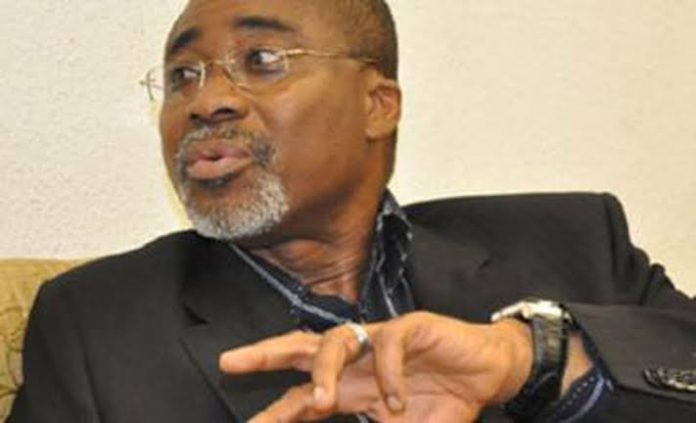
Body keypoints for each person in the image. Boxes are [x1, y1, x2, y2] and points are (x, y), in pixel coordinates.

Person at [9, 0, 695, 422]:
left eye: (262, 58)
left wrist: (532, 359)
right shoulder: (96, 323)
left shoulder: (572, 242)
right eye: (182, 75)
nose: (206, 100)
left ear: (378, 105)